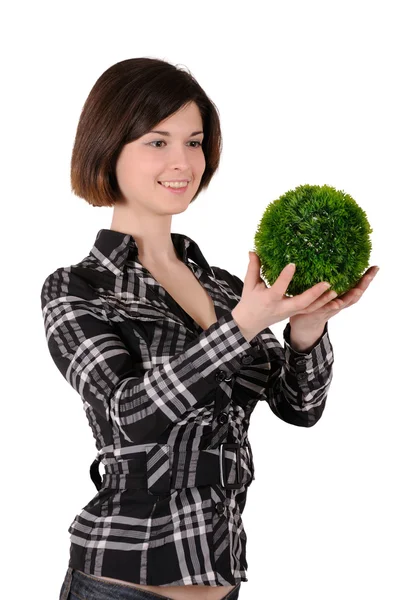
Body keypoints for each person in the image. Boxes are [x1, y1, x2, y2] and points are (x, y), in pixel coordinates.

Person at [41, 57, 336, 600]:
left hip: (223, 581)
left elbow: (300, 407)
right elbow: (130, 415)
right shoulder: (77, 289)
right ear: (109, 148)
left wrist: (307, 329)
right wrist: (242, 327)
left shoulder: (225, 288)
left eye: (195, 142)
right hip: (117, 584)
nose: (183, 161)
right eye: (158, 142)